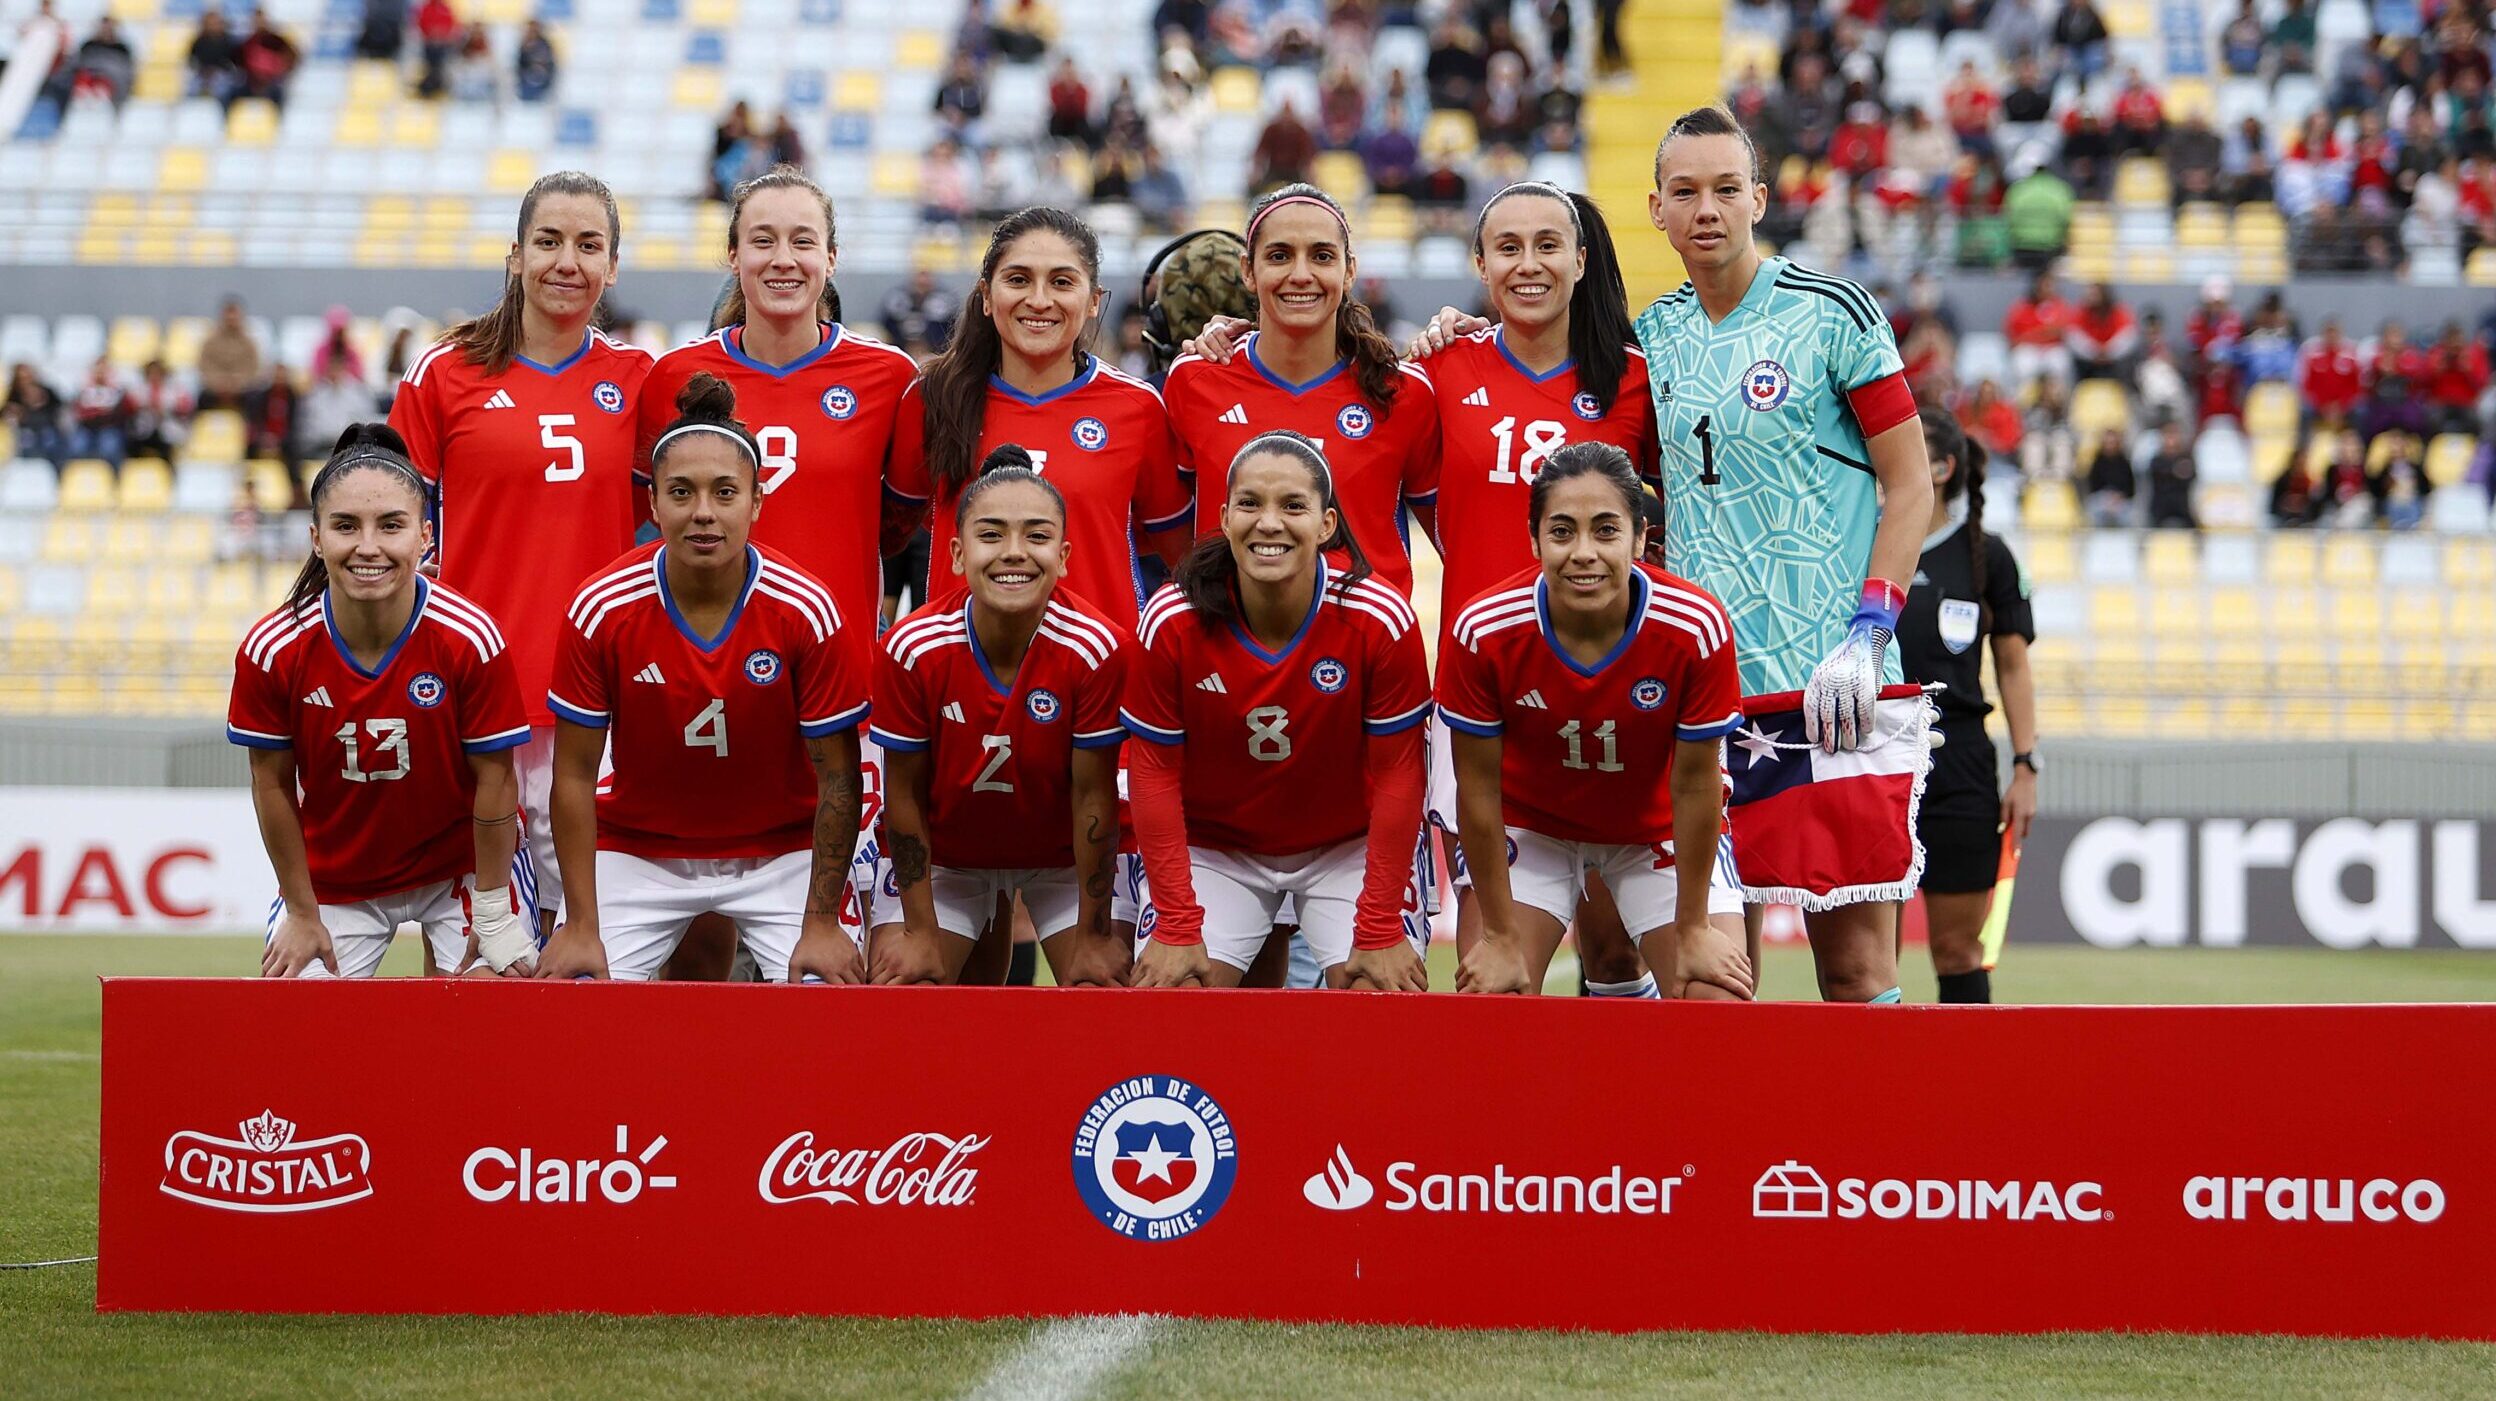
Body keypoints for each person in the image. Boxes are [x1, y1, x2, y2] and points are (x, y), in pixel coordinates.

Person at [1634, 105, 1933, 1005]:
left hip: (1829, 690)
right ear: (1656, 210)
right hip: (1707, 707)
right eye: (1685, 192)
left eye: (1727, 189)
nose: (1707, 210)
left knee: (1856, 974)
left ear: (1759, 199)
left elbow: (1910, 483)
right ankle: (1729, 1153)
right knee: (1714, 983)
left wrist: (1870, 634)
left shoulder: (1831, 311)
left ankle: (1867, 1153)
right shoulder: (1651, 337)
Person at [636, 167, 915, 974]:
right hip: (701, 693)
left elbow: (901, 525)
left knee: (828, 959)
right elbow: (642, 531)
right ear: (733, 255)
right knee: (698, 945)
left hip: (839, 704)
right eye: (762, 239)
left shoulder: (887, 379)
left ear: (833, 256)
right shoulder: (675, 379)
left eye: (802, 240)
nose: (782, 257)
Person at [1398, 181, 1664, 997]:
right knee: (1493, 973)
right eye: (1507, 247)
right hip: (1486, 699)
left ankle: (1614, 1124)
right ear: (1480, 264)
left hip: (1614, 697)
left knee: (1617, 956)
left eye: (1549, 244)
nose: (1529, 263)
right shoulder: (1437, 370)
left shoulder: (1637, 381)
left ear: (1582, 259)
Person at [537, 375, 872, 982]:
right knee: (577, 990)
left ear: (757, 502)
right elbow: (574, 774)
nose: (703, 513)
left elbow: (840, 779)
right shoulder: (602, 608)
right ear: (653, 503)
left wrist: (821, 922)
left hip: (781, 851)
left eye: (725, 492)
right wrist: (581, 924)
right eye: (682, 493)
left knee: (829, 992)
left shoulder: (805, 609)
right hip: (640, 850)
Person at [389, 171, 652, 941]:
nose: (567, 261)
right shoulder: (444, 373)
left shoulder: (640, 381)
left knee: (599, 942)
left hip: (600, 709)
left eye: (588, 244)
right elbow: (390, 529)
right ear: (515, 256)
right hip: (482, 704)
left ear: (613, 266)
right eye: (548, 241)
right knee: (476, 940)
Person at [1439, 443, 1750, 999]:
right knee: (1490, 1001)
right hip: (1531, 826)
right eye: (1562, 532)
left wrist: (1694, 928)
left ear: (1640, 539)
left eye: (1606, 531)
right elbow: (1478, 790)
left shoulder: (1695, 626)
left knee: (1713, 997)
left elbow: (1698, 783)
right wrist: (1500, 935)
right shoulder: (1483, 630)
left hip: (1652, 829)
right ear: (1533, 540)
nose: (1584, 552)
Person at [1123, 431, 1431, 991]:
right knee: (1177, 991)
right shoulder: (1173, 617)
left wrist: (1381, 921)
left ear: (1327, 524)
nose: (1269, 523)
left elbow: (1400, 775)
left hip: (1348, 843)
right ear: (1223, 516)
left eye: (1293, 506)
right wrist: (1176, 919)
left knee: (1379, 995)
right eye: (1250, 504)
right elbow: (1153, 772)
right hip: (1216, 846)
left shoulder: (1379, 618)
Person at [227, 426, 538, 980]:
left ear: (424, 537)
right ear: (316, 538)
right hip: (337, 878)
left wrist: (492, 912)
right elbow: (271, 783)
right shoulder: (272, 649)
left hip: (462, 871)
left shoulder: (469, 637)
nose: (367, 546)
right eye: (346, 526)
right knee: (298, 1029)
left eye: (390, 526)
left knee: (495, 1017)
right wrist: (301, 910)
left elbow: (497, 778)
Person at [868, 451, 1132, 987]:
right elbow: (905, 796)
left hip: (1063, 859)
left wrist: (1098, 933)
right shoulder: (912, 647)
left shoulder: (1099, 647)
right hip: (949, 856)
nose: (1014, 553)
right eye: (992, 535)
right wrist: (920, 932)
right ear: (958, 554)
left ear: (1064, 556)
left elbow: (1093, 799)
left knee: (1103, 986)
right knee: (903, 986)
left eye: (1036, 537)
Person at [886, 207, 1192, 633]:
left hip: (1104, 680)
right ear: (987, 296)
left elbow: (1186, 559)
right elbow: (890, 532)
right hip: (963, 682)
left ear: (1093, 301)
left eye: (1062, 282)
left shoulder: (1138, 408)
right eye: (1018, 279)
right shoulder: (932, 398)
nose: (1040, 300)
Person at [1160, 183, 1441, 599]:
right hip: (1226, 644)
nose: (1301, 274)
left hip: (1363, 649)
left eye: (1322, 256)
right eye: (1279, 256)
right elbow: (1169, 534)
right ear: (1248, 271)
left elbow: (1459, 539)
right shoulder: (1196, 379)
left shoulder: (1403, 392)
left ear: (1349, 271)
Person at [1896, 411, 2035, 1005]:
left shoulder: (1988, 556)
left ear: (1942, 468)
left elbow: (2012, 665)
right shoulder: (1858, 542)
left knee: (1958, 952)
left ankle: (1971, 1091)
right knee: (1866, 961)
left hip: (1960, 767)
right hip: (1873, 755)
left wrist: (2027, 764)